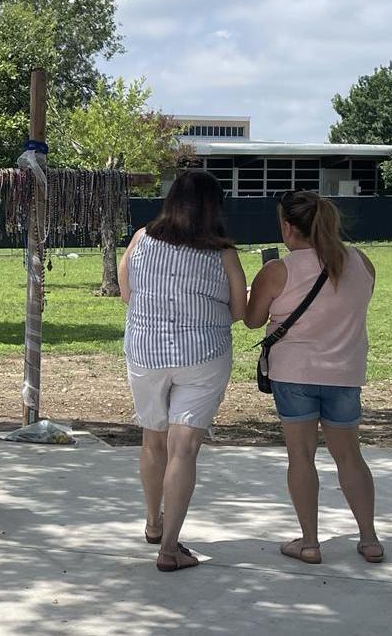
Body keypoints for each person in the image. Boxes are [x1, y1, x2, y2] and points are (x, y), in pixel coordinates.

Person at [118, 170, 247, 572]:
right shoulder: (223, 253)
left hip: (146, 352)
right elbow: (240, 311)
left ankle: (153, 522)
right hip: (203, 355)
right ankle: (170, 547)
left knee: (153, 441)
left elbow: (126, 291)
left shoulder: (141, 239)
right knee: (184, 449)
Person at [245, 190, 383, 565]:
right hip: (345, 373)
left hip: (295, 375)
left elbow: (253, 319)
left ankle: (309, 542)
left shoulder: (278, 270)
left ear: (288, 227)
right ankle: (369, 538)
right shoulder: (361, 263)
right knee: (350, 456)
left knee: (301, 457)